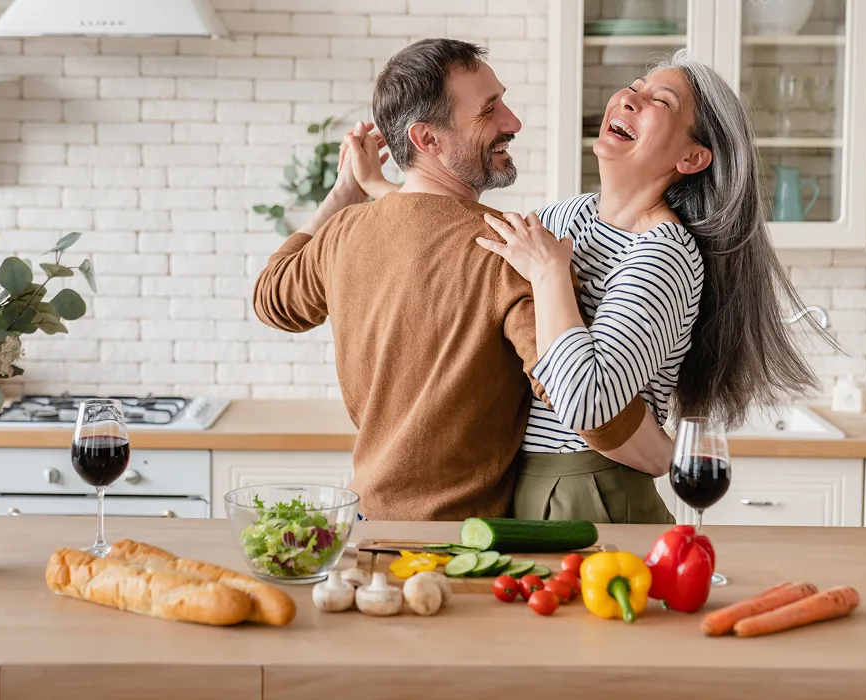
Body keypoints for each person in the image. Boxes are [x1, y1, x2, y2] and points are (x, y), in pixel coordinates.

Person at [344, 48, 825, 523]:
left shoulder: (664, 254)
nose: (629, 99)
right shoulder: (572, 216)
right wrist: (381, 187)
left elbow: (588, 401)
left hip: (595, 489)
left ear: (692, 156)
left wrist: (552, 275)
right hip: (525, 484)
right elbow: (473, 238)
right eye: (634, 88)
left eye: (663, 102)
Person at [252, 38, 672, 521]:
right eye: (488, 111)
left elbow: (272, 299)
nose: (512, 122)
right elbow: (584, 405)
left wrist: (342, 194)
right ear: (427, 140)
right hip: (459, 543)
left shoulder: (344, 232)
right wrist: (666, 454)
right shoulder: (507, 251)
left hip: (366, 524)